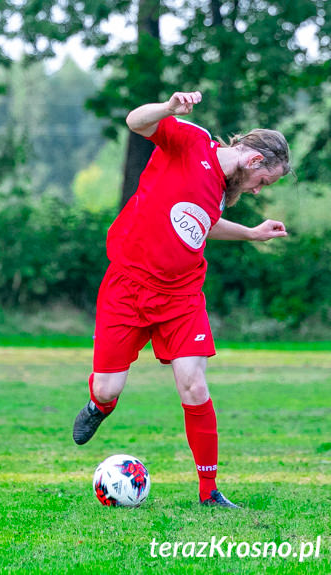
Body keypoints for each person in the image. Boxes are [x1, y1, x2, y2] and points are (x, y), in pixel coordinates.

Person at [71, 91, 291, 508]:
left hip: (181, 295)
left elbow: (200, 224)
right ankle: (100, 404)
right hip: (129, 285)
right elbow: (136, 121)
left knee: (194, 385)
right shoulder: (191, 141)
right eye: (265, 182)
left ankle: (210, 493)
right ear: (254, 161)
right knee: (108, 386)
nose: (260, 191)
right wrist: (170, 109)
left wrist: (250, 232)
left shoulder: (223, 192)